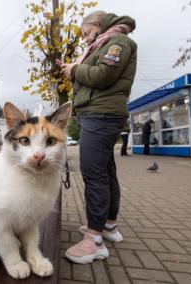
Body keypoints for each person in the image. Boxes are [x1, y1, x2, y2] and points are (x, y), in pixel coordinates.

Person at [60, 10, 137, 263]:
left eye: (86, 33)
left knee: (93, 174)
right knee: (105, 172)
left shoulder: (118, 42)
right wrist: (75, 70)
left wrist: (75, 70)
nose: (84, 39)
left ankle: (94, 241)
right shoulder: (106, 43)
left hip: (101, 115)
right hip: (100, 114)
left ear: (99, 25)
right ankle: (108, 226)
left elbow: (104, 75)